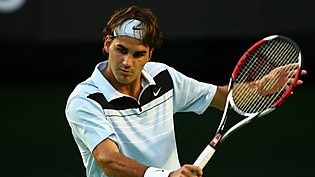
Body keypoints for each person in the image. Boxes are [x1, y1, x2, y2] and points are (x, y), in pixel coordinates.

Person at [65, 5, 307, 177]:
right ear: (107, 44)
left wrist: (262, 88)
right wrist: (166, 176)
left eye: (138, 54)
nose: (127, 62)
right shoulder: (85, 99)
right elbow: (108, 160)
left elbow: (224, 97)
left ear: (149, 55)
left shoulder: (163, 77)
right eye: (121, 50)